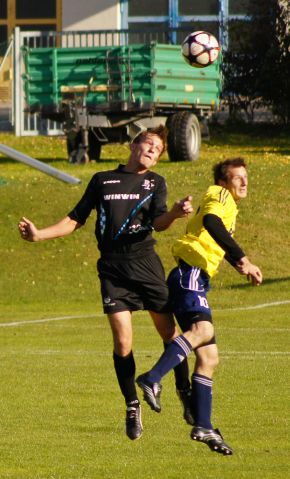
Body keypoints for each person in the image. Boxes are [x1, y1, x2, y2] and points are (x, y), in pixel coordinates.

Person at [18, 125, 194, 441]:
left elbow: (158, 223)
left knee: (170, 334)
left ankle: (184, 391)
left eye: (158, 149)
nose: (154, 150)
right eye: (149, 143)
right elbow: (75, 219)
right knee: (123, 342)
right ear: (133, 144)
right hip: (113, 269)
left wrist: (176, 214)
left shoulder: (155, 182)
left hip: (146, 267)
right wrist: (39, 234)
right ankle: (131, 406)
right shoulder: (102, 180)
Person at [136, 157, 262, 455]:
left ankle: (203, 424)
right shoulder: (219, 195)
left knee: (209, 357)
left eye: (246, 177)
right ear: (223, 181)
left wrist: (238, 264)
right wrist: (243, 258)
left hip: (196, 276)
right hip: (189, 272)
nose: (244, 182)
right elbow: (210, 222)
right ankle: (152, 378)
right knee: (201, 329)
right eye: (237, 177)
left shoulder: (229, 206)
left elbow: (215, 236)